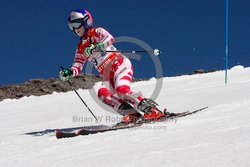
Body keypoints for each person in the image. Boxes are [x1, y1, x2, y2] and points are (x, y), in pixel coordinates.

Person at [59, 9, 166, 123]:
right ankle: (132, 114)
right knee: (103, 94)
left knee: (122, 89)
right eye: (71, 26)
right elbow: (78, 65)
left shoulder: (97, 31)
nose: (75, 29)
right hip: (107, 75)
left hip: (119, 64)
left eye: (76, 24)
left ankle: (152, 110)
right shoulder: (80, 46)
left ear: (86, 21)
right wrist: (69, 72)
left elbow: (110, 38)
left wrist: (97, 46)